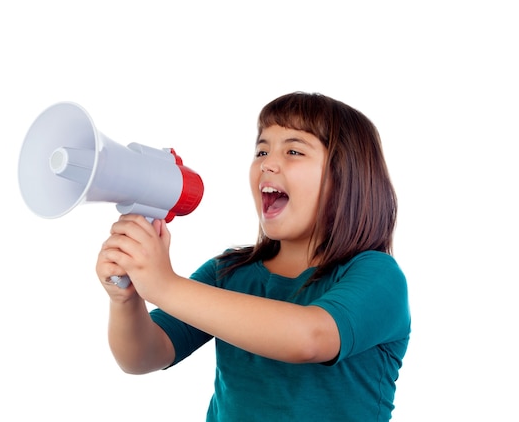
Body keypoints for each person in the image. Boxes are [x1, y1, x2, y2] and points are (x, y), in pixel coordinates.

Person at [96, 92, 410, 421]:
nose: (267, 163)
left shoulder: (377, 275)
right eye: (261, 150)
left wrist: (164, 286)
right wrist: (127, 299)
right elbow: (141, 357)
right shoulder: (229, 272)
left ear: (346, 176)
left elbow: (309, 338)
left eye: (293, 150)